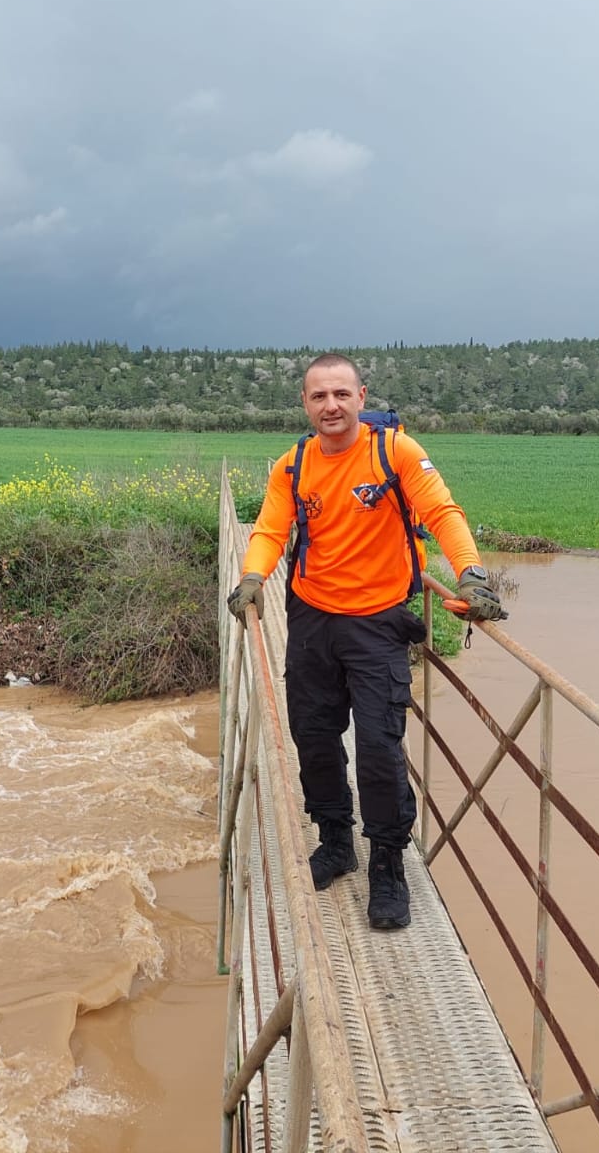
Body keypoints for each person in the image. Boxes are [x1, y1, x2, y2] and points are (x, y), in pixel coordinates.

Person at [226, 353, 504, 929]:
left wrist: (471, 574)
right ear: (305, 404)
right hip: (311, 617)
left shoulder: (395, 452)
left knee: (379, 746)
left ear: (361, 396)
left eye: (341, 395)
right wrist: (253, 578)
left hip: (378, 620)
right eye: (319, 396)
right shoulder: (293, 465)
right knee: (315, 734)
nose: (331, 406)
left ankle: (387, 865)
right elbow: (272, 528)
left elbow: (442, 511)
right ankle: (334, 839)